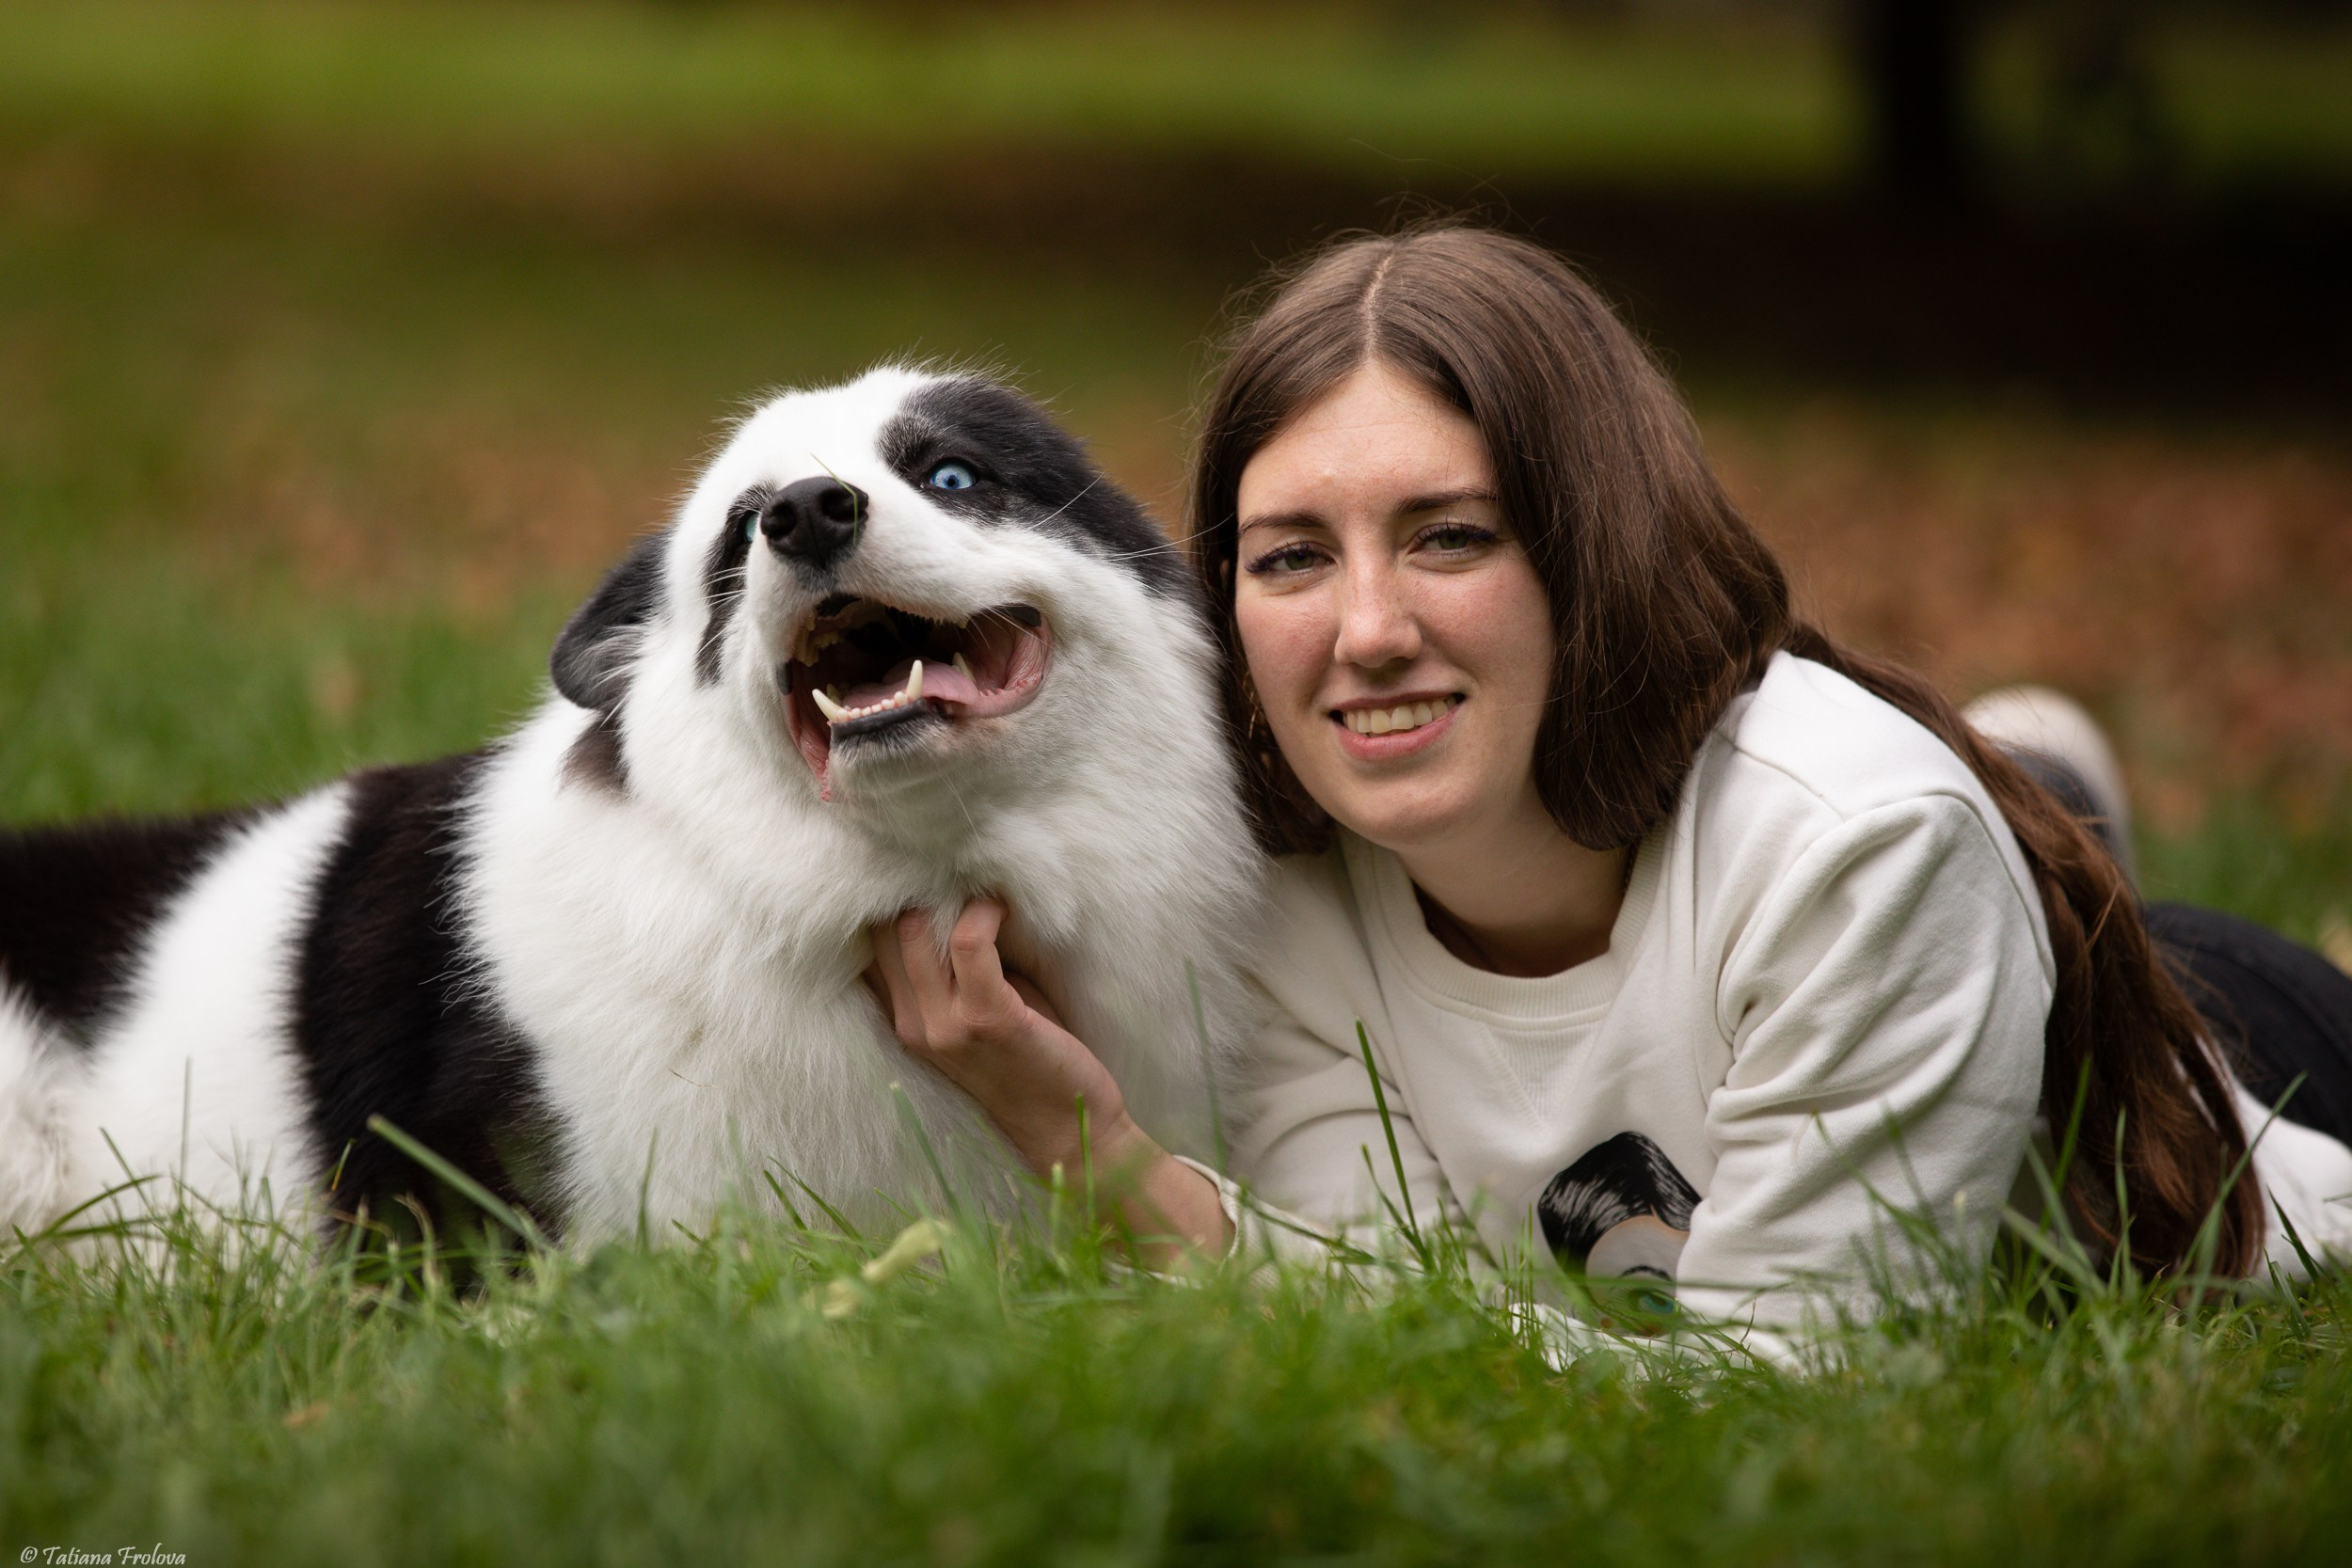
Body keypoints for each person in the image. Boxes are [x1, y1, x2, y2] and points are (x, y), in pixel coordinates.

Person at [863, 227, 2352, 1347]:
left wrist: (1117, 1171)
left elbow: (1778, 1402)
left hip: (2243, 1057)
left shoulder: (1864, 852)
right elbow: (1391, 1335)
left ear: (1599, 544)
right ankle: (2047, 805)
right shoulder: (1270, 884)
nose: (1366, 635)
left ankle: (2042, 829)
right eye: (1293, 557)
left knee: (1998, 879)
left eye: (1451, 536)